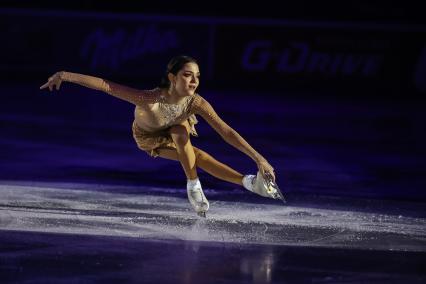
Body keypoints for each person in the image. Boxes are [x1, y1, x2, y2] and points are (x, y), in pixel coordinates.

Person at [40, 55, 284, 217]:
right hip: (148, 137)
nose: (194, 81)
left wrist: (259, 158)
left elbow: (226, 131)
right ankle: (201, 184)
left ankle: (245, 182)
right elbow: (106, 85)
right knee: (194, 153)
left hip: (177, 130)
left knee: (181, 133)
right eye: (188, 74)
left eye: (197, 76)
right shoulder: (149, 99)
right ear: (172, 77)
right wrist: (64, 74)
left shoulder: (195, 103)